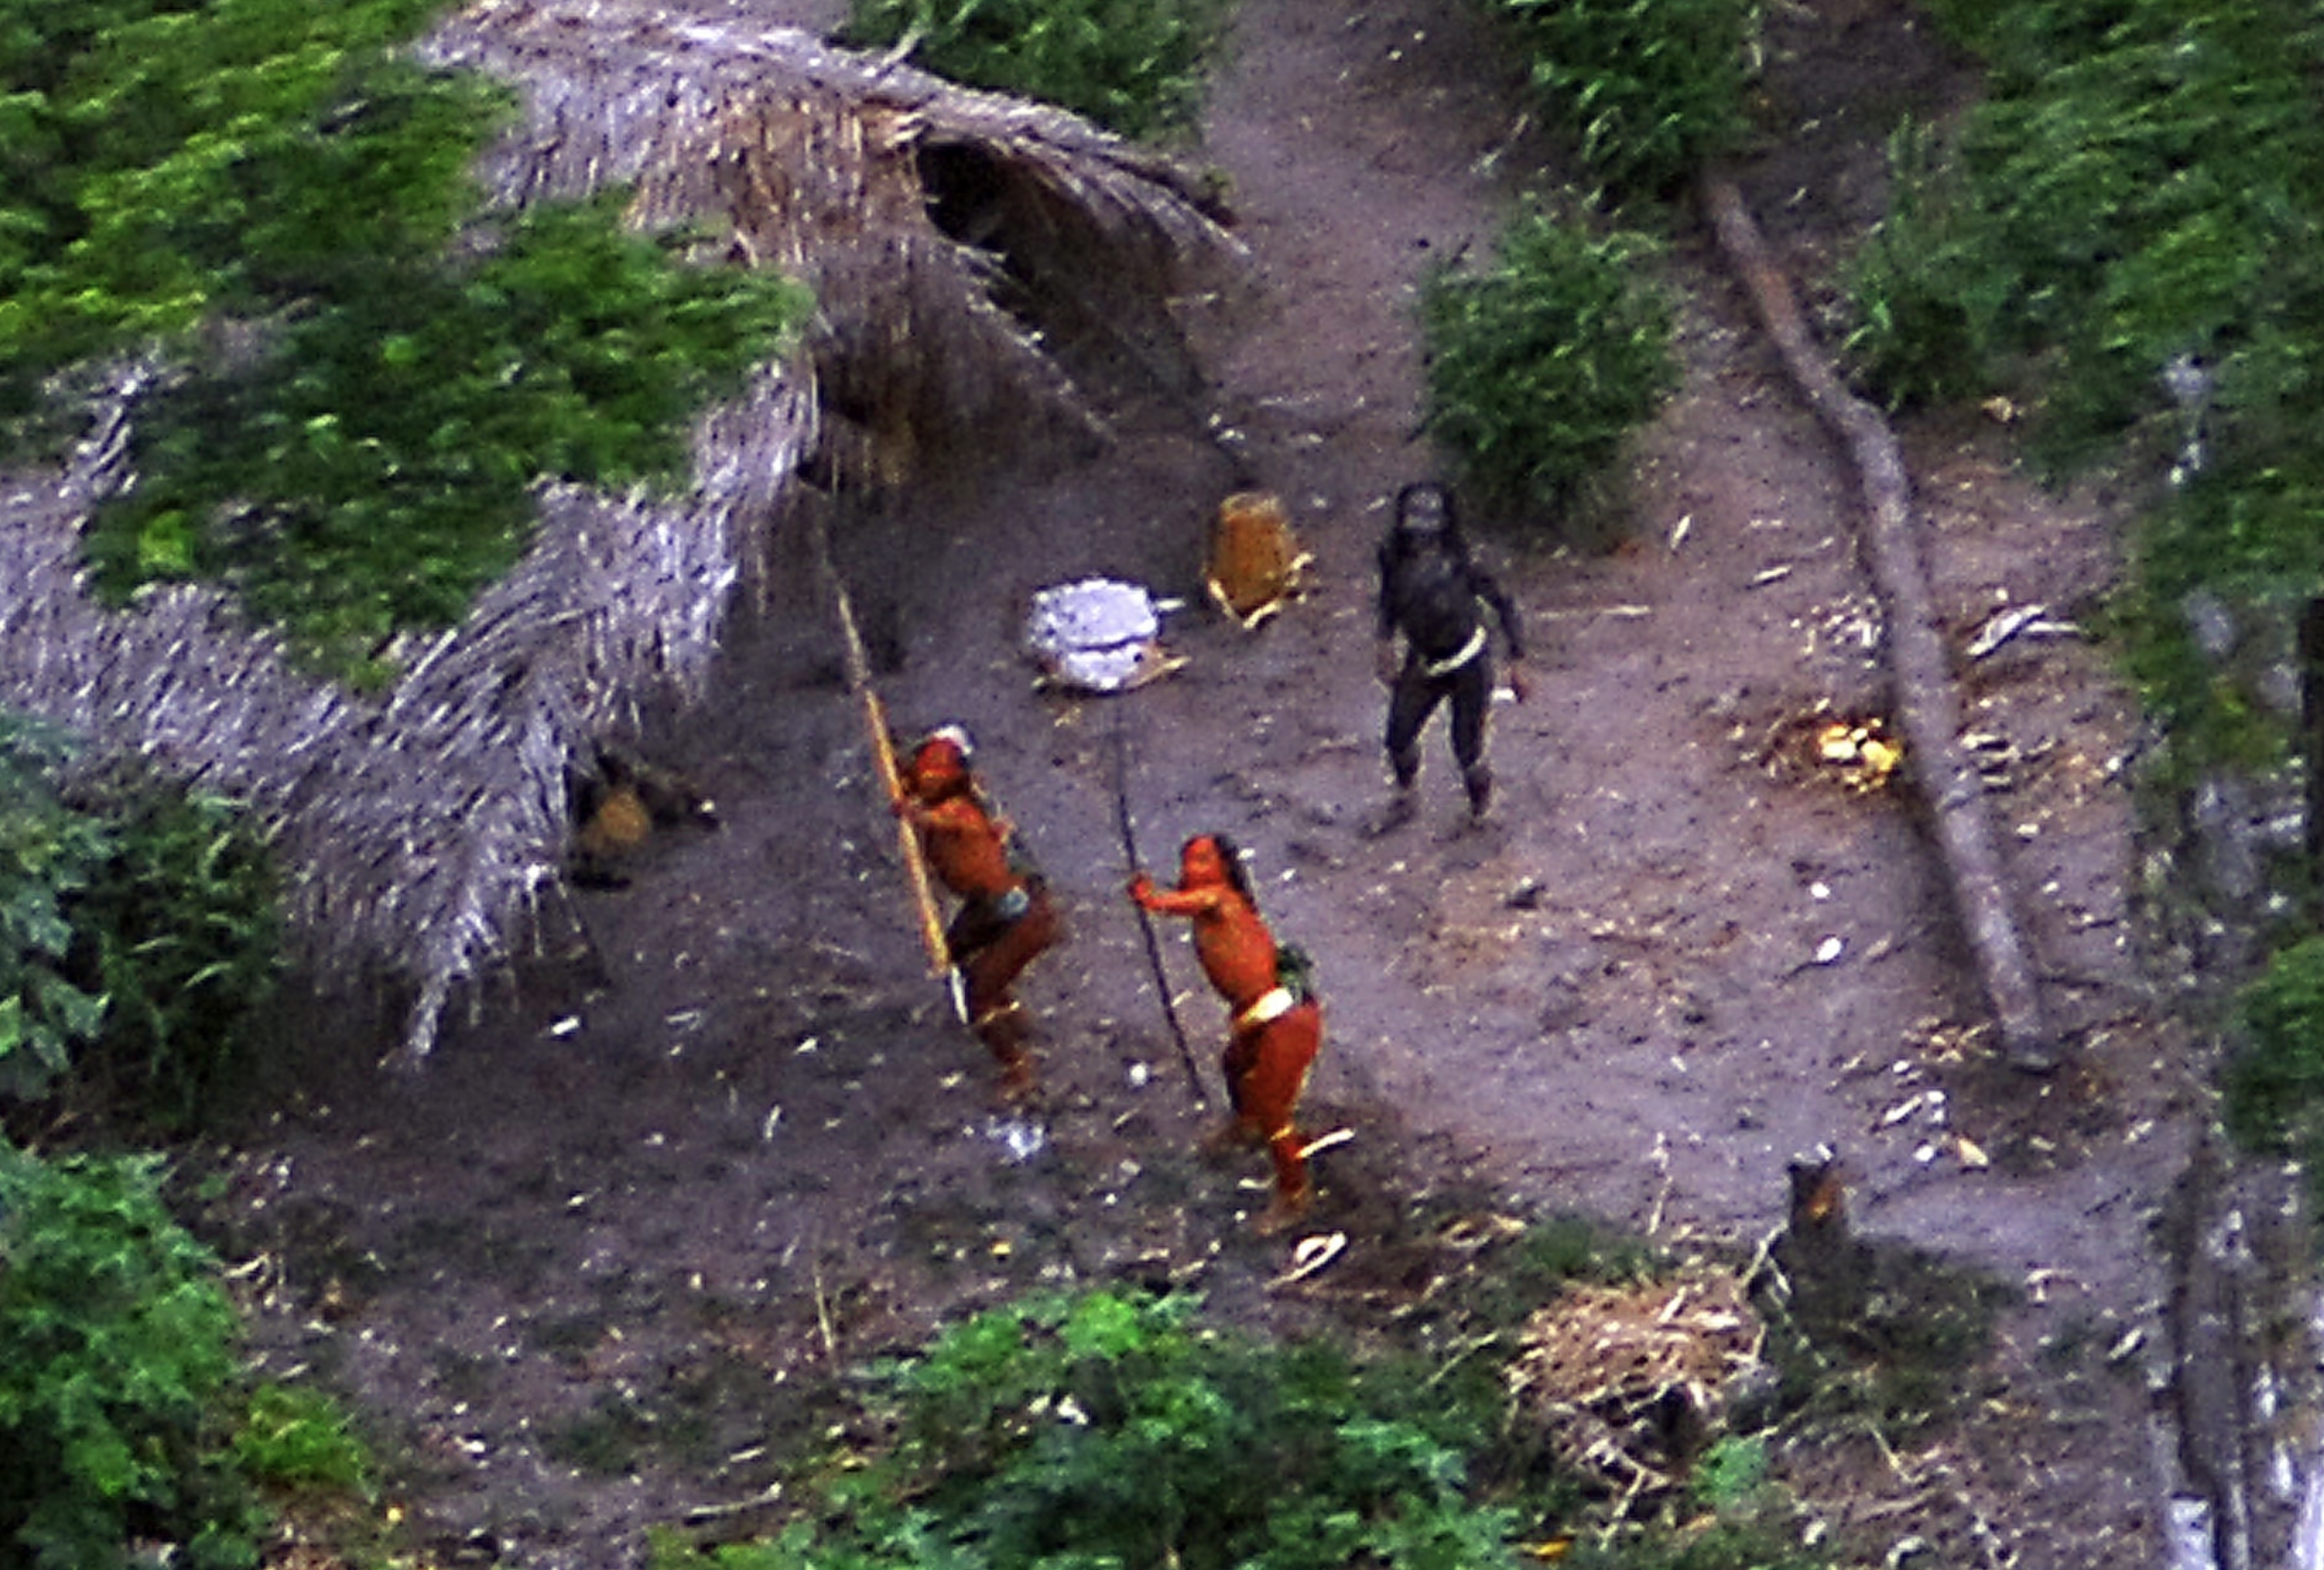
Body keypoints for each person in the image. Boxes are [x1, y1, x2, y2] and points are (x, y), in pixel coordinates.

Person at [1128, 834, 1322, 1234]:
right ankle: (1245, 1123)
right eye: (1187, 861)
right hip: (1256, 1018)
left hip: (1285, 1020)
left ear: (1223, 868)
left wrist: (1151, 898)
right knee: (1234, 1065)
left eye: (1202, 860)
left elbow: (1184, 903)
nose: (1191, 870)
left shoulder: (1221, 899)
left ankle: (1293, 1193)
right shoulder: (1208, 907)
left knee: (1275, 1113)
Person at [893, 726, 1061, 1103]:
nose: (929, 773)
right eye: (925, 764)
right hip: (988, 906)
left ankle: (1017, 1067)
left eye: (939, 767)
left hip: (1018, 910)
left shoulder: (964, 810)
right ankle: (1011, 1012)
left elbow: (934, 819)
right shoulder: (938, 795)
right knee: (957, 955)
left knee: (977, 993)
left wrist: (911, 813)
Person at [1372, 480, 1528, 829]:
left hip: (1467, 662)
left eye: (1428, 533)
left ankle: (1480, 812)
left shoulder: (1464, 562)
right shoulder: (1392, 558)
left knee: (1466, 747)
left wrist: (1516, 660)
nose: (1420, 541)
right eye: (1415, 532)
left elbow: (1503, 604)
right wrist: (1384, 643)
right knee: (1398, 735)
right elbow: (1388, 602)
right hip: (1423, 660)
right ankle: (1406, 793)